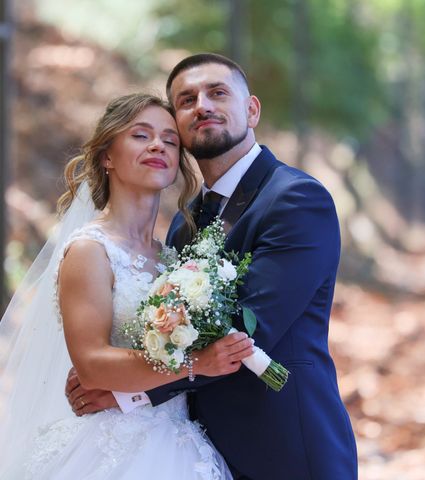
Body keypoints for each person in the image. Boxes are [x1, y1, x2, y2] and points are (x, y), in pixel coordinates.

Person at [68, 53, 358, 479]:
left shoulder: (295, 200)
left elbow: (245, 330)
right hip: (197, 452)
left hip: (285, 450)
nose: (202, 105)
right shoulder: (184, 227)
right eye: (186, 100)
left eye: (218, 93)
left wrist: (127, 392)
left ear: (252, 109)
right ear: (181, 130)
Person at [0, 93, 256, 479]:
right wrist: (197, 364)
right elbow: (91, 365)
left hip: (180, 444)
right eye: (141, 135)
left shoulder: (174, 257)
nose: (158, 145)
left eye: (170, 140)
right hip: (111, 450)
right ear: (107, 156)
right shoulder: (91, 250)